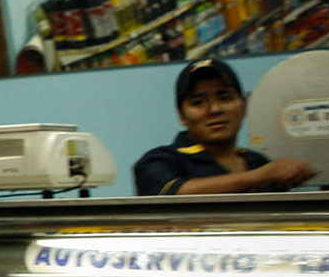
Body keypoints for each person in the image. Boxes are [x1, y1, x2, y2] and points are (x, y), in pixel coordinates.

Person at [132, 57, 316, 195]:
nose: (215, 109)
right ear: (182, 115)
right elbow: (175, 193)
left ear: (243, 106)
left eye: (225, 98)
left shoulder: (257, 162)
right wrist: (260, 176)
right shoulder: (159, 161)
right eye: (198, 102)